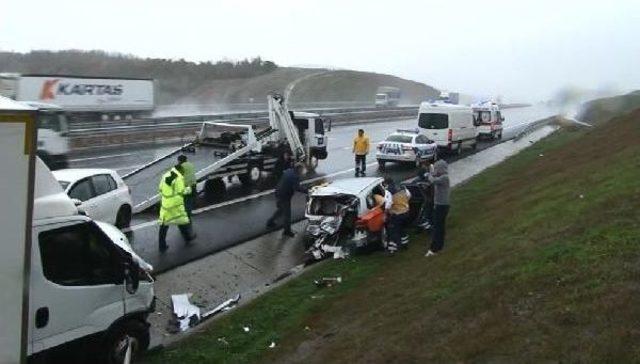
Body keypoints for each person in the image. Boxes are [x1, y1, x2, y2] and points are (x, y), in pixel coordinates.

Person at [158, 164, 196, 253]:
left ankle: (162, 246)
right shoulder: (178, 179)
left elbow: (160, 188)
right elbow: (182, 191)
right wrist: (189, 189)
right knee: (181, 222)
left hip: (166, 204)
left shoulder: (165, 175)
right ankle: (188, 238)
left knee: (164, 225)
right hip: (175, 204)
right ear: (179, 170)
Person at [266, 164, 307, 237]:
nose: (304, 171)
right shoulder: (295, 176)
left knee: (281, 209)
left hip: (278, 192)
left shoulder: (289, 171)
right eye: (303, 169)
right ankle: (287, 231)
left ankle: (270, 222)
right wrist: (307, 191)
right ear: (299, 169)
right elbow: (297, 188)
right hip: (284, 195)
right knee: (287, 214)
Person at [424, 160, 450, 257]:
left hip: (441, 206)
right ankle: (440, 245)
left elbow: (432, 180)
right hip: (441, 205)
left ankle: (433, 249)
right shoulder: (442, 177)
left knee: (437, 227)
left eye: (437, 168)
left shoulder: (444, 178)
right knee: (440, 227)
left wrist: (429, 173)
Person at [386, 178, 411, 253]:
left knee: (394, 232)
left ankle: (392, 250)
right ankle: (405, 244)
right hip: (406, 212)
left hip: (397, 214)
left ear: (386, 184)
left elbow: (388, 204)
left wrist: (387, 212)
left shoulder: (389, 192)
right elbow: (409, 196)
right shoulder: (402, 187)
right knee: (403, 229)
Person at [178, 154, 196, 219]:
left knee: (185, 200)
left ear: (180, 160)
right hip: (193, 184)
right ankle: (189, 212)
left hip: (186, 185)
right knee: (190, 199)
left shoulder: (180, 167)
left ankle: (186, 213)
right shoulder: (190, 165)